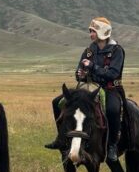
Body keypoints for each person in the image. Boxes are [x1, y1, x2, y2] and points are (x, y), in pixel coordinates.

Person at [45, 17, 125, 162]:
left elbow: (113, 73)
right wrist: (80, 74)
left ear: (102, 32)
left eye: (93, 31)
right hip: (88, 88)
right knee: (58, 102)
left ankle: (112, 145)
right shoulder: (89, 51)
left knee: (113, 110)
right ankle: (61, 138)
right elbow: (79, 71)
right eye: (90, 31)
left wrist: (92, 67)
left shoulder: (116, 51)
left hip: (109, 88)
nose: (91, 35)